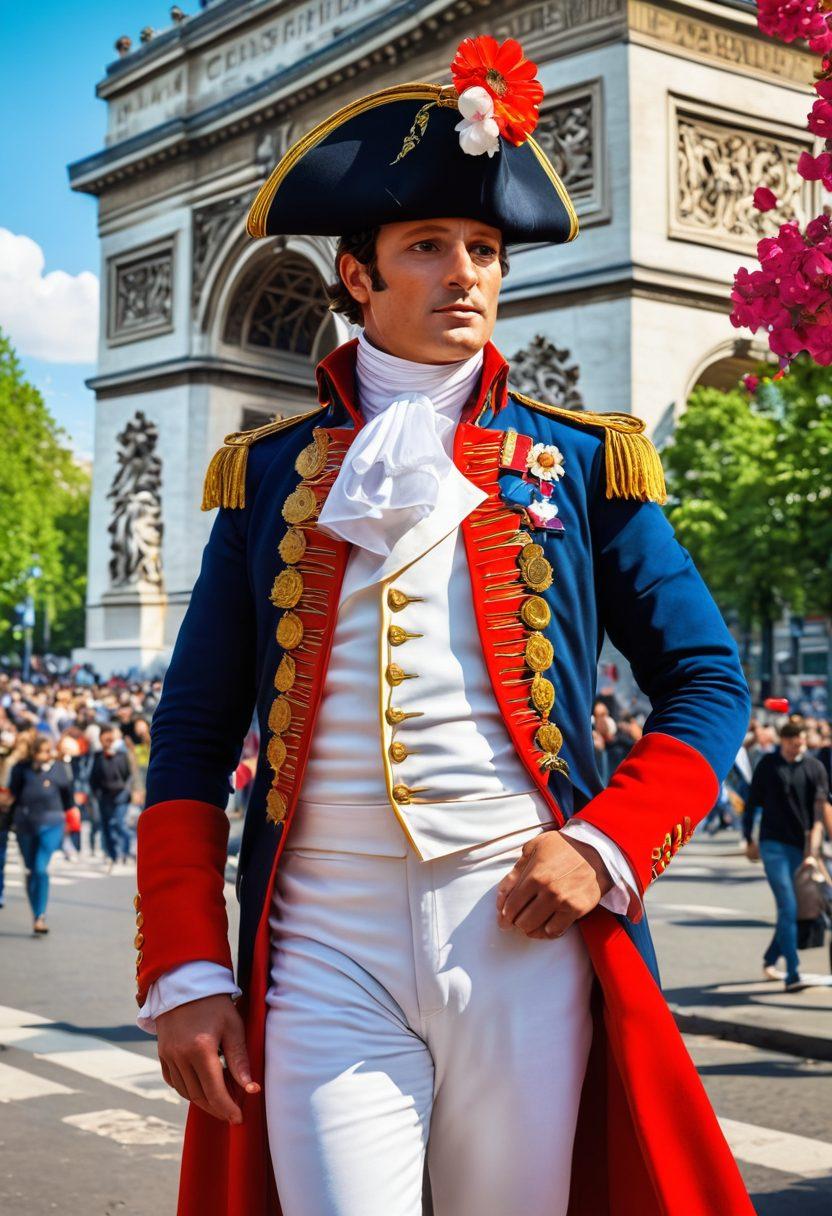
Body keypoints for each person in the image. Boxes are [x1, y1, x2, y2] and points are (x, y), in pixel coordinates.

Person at [135, 34, 754, 1216]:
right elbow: (195, 728)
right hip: (322, 938)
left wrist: (609, 844)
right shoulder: (263, 474)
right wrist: (186, 958)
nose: (466, 272)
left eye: (483, 250)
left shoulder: (585, 461)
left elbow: (708, 676)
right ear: (356, 276)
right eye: (428, 247)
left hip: (519, 924)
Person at [744, 720, 829, 990]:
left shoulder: (815, 768)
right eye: (793, 744)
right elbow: (752, 803)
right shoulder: (768, 765)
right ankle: (793, 973)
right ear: (782, 741)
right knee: (788, 906)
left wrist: (813, 851)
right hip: (772, 844)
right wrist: (748, 838)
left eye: (802, 743)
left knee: (793, 910)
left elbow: (818, 813)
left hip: (801, 847)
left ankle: (771, 957)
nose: (798, 748)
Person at [8, 735, 74, 934]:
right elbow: (14, 794)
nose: (46, 755)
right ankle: (36, 912)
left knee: (40, 868)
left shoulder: (59, 768)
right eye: (42, 751)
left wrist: (71, 819)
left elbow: (68, 798)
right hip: (25, 823)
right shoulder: (21, 768)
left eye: (48, 751)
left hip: (52, 823)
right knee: (30, 869)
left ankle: (41, 915)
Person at [90, 726, 134, 870]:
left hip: (121, 795)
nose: (108, 742)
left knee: (120, 824)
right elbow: (92, 778)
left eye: (110, 739)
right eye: (105, 739)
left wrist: (128, 791)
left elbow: (129, 775)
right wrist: (96, 793)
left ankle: (125, 852)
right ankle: (113, 854)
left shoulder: (122, 755)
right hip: (105, 796)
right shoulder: (97, 756)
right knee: (107, 826)